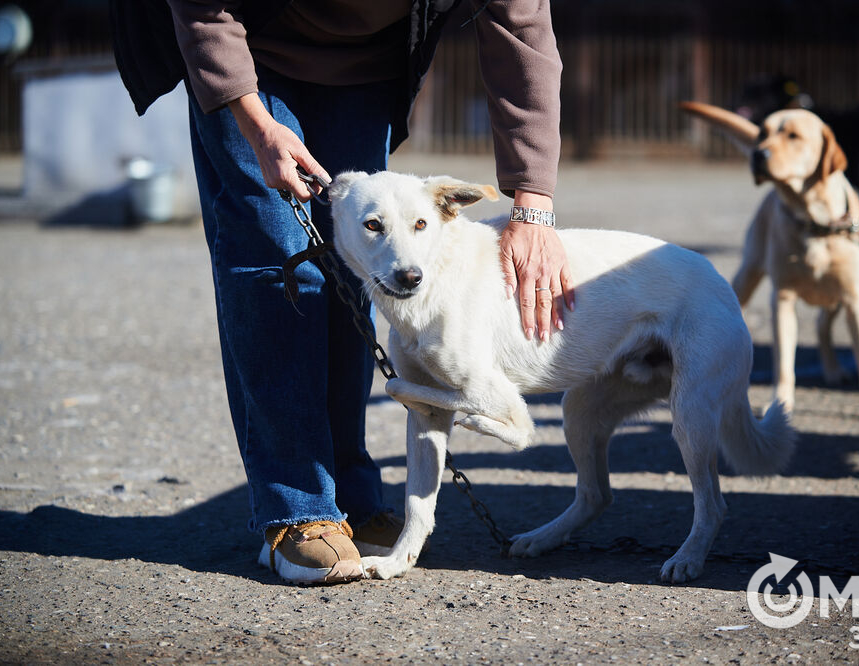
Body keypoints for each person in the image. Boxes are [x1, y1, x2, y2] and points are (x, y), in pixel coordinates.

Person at [110, 0, 572, 585]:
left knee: (356, 266)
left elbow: (520, 27)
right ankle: (297, 510)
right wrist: (255, 123)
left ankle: (350, 498)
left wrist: (534, 205)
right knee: (282, 261)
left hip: (366, 64)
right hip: (249, 44)